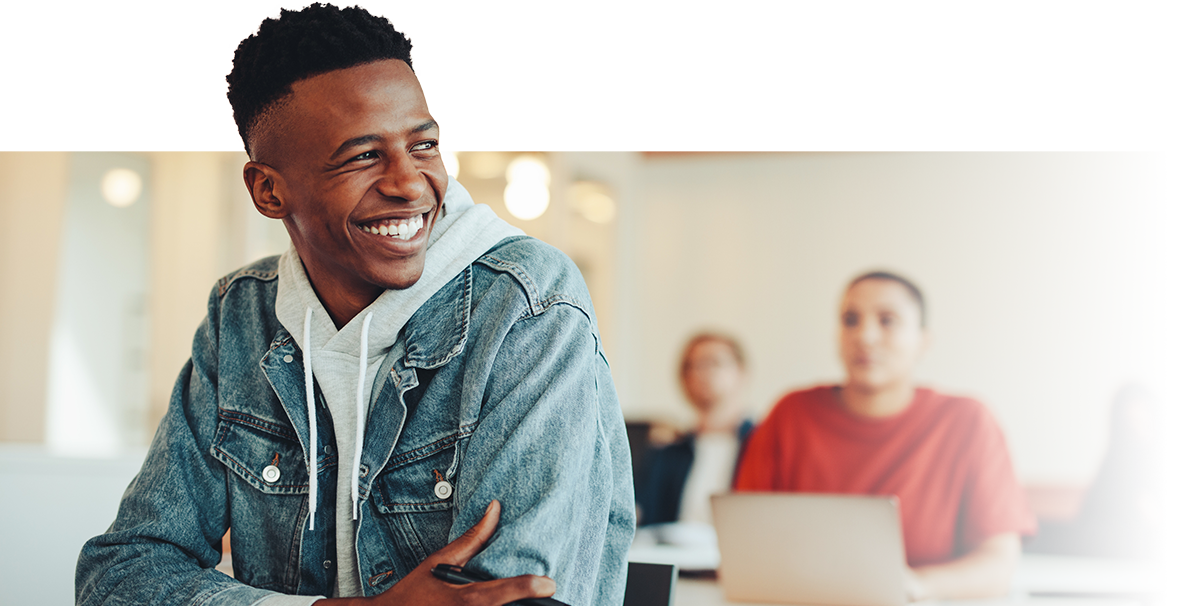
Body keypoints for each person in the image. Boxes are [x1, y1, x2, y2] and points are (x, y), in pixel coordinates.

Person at [75, 5, 635, 606]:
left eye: (424, 145)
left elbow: (517, 595)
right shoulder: (242, 315)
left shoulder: (527, 303)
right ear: (269, 189)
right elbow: (121, 574)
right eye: (363, 155)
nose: (412, 184)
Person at [735, 271, 1037, 601]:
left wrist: (916, 585)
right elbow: (745, 546)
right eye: (850, 320)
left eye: (887, 320)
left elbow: (998, 565)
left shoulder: (968, 421)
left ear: (923, 341)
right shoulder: (790, 414)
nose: (865, 336)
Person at [636, 333, 753, 531]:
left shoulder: (763, 444)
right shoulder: (667, 452)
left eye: (712, 363)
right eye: (690, 366)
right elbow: (644, 516)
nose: (700, 373)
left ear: (741, 372)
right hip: (674, 557)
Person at [1081, 381, 1200, 531]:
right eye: (1134, 423)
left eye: (1148, 418)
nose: (1144, 429)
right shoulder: (1118, 463)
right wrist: (1132, 504)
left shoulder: (1192, 456)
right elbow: (1090, 522)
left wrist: (1167, 522)